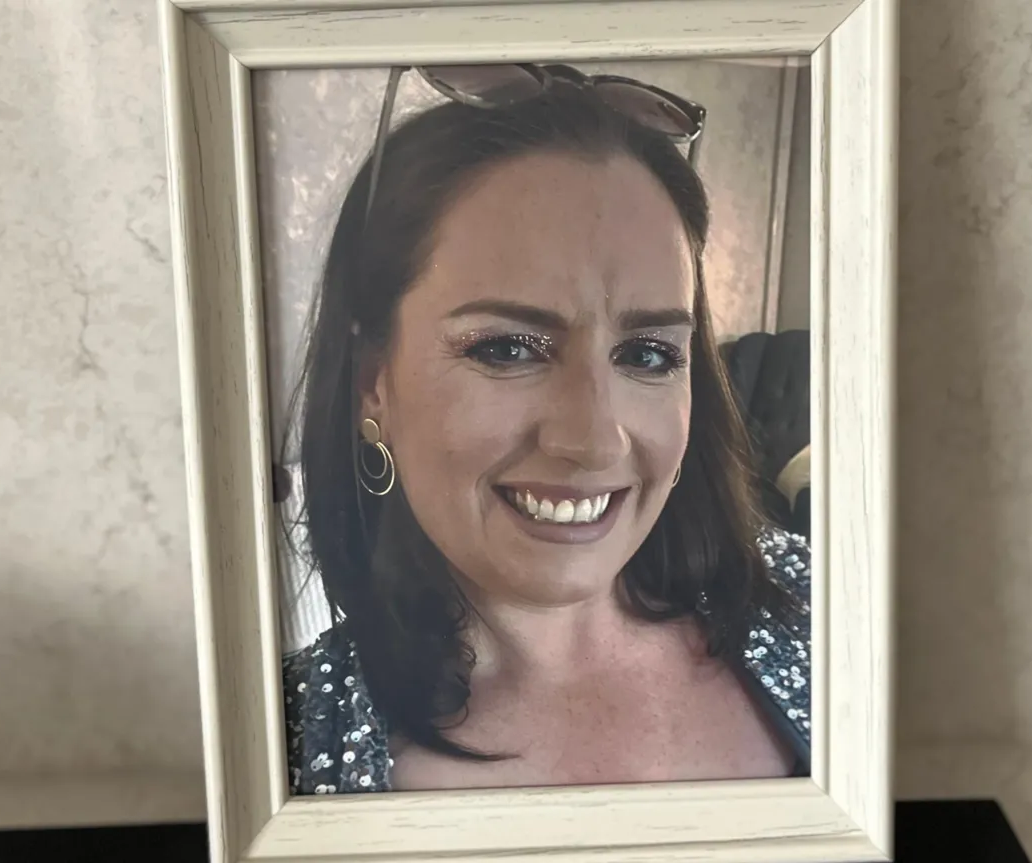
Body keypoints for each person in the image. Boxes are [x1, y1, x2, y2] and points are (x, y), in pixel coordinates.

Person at [281, 63, 812, 795]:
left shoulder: (828, 612)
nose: (595, 441)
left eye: (649, 354)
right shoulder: (284, 747)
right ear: (375, 379)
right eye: (505, 348)